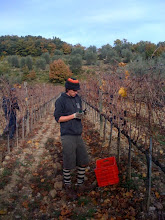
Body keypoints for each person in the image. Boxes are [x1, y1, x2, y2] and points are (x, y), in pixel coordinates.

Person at [54, 77, 89, 199]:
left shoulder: (78, 98)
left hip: (78, 133)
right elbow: (58, 118)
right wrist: (73, 116)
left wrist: (81, 114)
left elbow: (78, 112)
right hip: (67, 134)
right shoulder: (60, 101)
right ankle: (68, 186)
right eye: (74, 91)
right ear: (68, 89)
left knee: (83, 160)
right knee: (68, 162)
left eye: (77, 91)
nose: (76, 92)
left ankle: (80, 184)